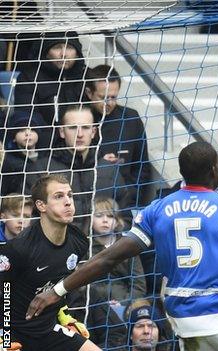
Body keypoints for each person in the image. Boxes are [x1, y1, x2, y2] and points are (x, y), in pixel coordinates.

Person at [26, 141, 218, 351]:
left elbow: (107, 259)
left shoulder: (157, 210)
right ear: (215, 171)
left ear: (182, 172)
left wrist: (58, 290)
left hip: (181, 316)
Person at [0, 174, 100, 350]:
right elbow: (4, 293)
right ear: (41, 205)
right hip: (13, 334)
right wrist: (3, 336)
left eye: (70, 195)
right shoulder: (19, 248)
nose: (68, 201)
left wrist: (64, 316)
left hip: (47, 329)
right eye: (58, 196)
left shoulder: (79, 241)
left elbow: (57, 283)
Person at [25, 105, 128, 230]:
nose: (80, 134)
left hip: (101, 248)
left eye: (85, 127)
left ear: (94, 132)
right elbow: (27, 217)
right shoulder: (41, 170)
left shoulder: (110, 170)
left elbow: (125, 218)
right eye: (73, 128)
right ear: (62, 132)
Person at [84, 65, 152, 207]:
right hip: (87, 201)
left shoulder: (130, 119)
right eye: (103, 97)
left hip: (123, 203)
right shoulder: (79, 120)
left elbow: (142, 166)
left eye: (113, 97)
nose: (109, 103)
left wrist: (130, 196)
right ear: (89, 93)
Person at [12, 31, 87, 149]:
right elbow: (27, 114)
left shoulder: (87, 76)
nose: (64, 54)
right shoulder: (30, 78)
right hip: (47, 149)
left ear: (77, 54)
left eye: (69, 47)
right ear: (46, 53)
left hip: (85, 145)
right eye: (57, 47)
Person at [90, 196, 145, 304]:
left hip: (124, 304)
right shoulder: (85, 247)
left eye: (110, 216)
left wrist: (124, 302)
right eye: (99, 215)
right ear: (91, 219)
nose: (105, 220)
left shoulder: (127, 246)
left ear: (117, 221)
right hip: (92, 304)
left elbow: (139, 285)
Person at [1, 110, 45, 195]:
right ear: (13, 137)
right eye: (21, 130)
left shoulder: (47, 157)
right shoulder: (9, 162)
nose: (27, 133)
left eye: (32, 129)